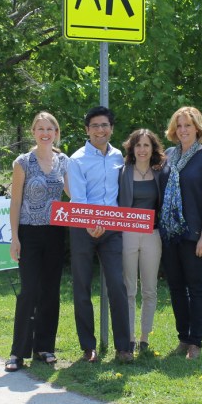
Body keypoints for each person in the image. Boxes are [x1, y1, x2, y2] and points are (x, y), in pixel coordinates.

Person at [5, 112, 69, 372]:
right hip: (29, 233)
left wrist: (93, 212)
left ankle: (44, 348)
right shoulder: (23, 162)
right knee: (29, 291)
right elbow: (16, 201)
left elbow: (72, 194)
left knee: (51, 292)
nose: (45, 133)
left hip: (55, 233)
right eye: (40, 128)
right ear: (33, 132)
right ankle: (17, 352)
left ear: (56, 132)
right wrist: (15, 238)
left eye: (49, 128)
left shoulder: (63, 161)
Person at [158, 107, 202, 360]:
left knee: (195, 287)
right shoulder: (168, 156)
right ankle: (183, 338)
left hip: (196, 234)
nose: (183, 130)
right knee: (176, 287)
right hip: (170, 233)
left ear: (198, 127)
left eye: (188, 125)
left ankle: (196, 341)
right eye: (179, 125)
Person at [68, 106, 133, 363]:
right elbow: (78, 198)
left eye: (104, 125)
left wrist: (107, 222)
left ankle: (124, 347)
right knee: (82, 286)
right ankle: (88, 347)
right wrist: (90, 223)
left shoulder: (119, 156)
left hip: (113, 230)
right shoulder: (77, 159)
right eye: (94, 126)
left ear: (112, 128)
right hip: (83, 229)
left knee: (118, 284)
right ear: (87, 130)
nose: (100, 130)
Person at [119, 129, 166, 353]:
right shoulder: (123, 172)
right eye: (138, 145)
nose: (142, 149)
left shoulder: (160, 172)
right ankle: (128, 337)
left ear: (153, 148)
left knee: (149, 289)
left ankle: (144, 338)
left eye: (146, 145)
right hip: (127, 233)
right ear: (132, 148)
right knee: (129, 288)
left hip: (152, 235)